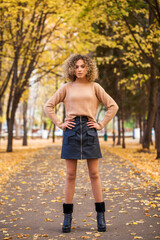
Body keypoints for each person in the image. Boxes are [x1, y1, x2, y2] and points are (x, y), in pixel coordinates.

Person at [44, 54, 119, 233]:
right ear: (72, 68)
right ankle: (67, 218)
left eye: (82, 66)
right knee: (70, 175)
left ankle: (101, 217)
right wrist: (60, 124)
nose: (79, 69)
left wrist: (100, 124)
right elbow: (48, 106)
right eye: (76, 66)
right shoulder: (66, 88)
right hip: (71, 131)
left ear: (88, 69)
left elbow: (113, 106)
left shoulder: (95, 87)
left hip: (89, 130)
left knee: (94, 174)